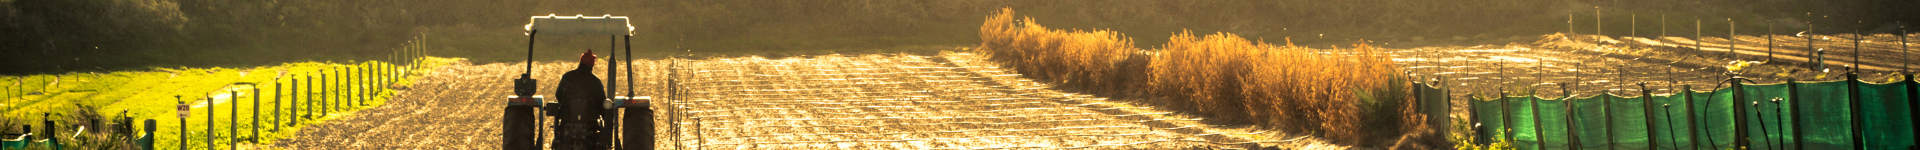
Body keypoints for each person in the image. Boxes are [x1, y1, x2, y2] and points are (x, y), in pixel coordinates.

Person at [553, 50, 609, 149]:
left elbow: (558, 95)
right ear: (592, 65)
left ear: (580, 62)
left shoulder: (567, 77)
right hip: (591, 122)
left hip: (567, 119)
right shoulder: (595, 81)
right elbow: (601, 102)